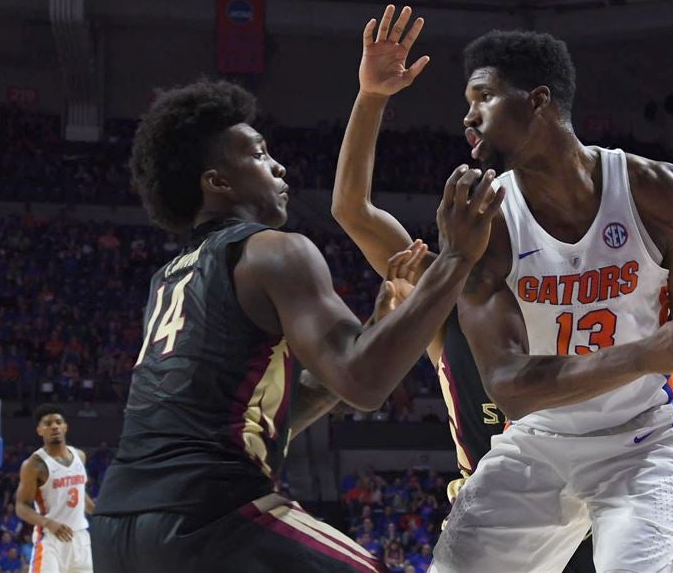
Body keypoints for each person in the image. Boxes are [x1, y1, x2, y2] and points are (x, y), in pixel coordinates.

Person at [432, 29, 673, 573]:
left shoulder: (655, 190)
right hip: (537, 441)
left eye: (484, 97)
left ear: (538, 101)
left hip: (642, 440)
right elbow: (509, 388)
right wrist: (648, 354)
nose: (469, 116)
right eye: (468, 103)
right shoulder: (486, 225)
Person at [89, 80, 500, 572]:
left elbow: (274, 415)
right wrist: (457, 256)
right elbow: (365, 383)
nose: (278, 166)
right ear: (218, 182)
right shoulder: (274, 250)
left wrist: (376, 324)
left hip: (117, 530)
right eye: (259, 155)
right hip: (212, 516)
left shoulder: (170, 277)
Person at [331, 5, 595, 573]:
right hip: (500, 521)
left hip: (595, 504)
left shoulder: (589, 278)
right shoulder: (445, 284)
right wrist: (372, 95)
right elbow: (352, 209)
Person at [15, 404, 94, 573]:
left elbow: (80, 494)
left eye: (58, 422)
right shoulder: (34, 464)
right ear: (39, 430)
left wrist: (100, 513)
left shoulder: (80, 456)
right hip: (51, 539)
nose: (54, 426)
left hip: (80, 538)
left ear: (65, 427)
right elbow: (21, 506)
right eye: (48, 423)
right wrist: (48, 523)